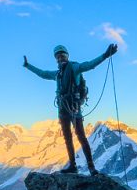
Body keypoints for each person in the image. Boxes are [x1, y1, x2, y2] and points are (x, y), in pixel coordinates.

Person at [23, 43, 118, 175]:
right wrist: (28, 66)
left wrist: (105, 55)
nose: (60, 58)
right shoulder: (57, 74)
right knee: (68, 137)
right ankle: (74, 166)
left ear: (67, 56)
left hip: (73, 108)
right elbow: (43, 74)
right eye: (58, 56)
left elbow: (90, 65)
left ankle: (91, 167)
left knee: (81, 136)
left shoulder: (74, 67)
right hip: (65, 109)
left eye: (62, 55)